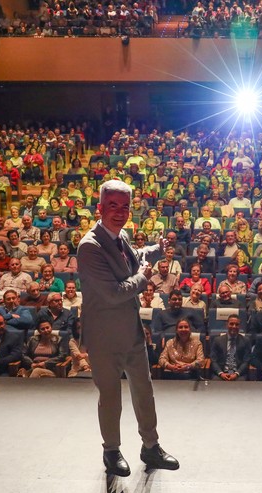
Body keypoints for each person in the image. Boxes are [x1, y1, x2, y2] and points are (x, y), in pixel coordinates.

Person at [77, 179, 178, 476]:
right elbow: (114, 292)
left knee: (144, 390)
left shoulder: (120, 238)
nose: (119, 212)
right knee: (110, 396)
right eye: (113, 206)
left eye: (125, 207)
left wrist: (156, 250)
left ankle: (150, 446)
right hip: (104, 335)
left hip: (131, 330)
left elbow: (135, 259)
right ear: (100, 207)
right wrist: (145, 278)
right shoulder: (90, 246)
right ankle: (111, 451)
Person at [209, 313, 250, 380]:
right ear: (226, 325)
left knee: (241, 383)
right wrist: (221, 373)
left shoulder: (246, 341)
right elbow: (213, 360)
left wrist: (236, 374)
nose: (234, 326)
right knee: (215, 382)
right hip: (221, 374)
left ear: (239, 326)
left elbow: (246, 361)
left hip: (238, 375)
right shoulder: (217, 340)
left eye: (237, 324)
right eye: (231, 324)